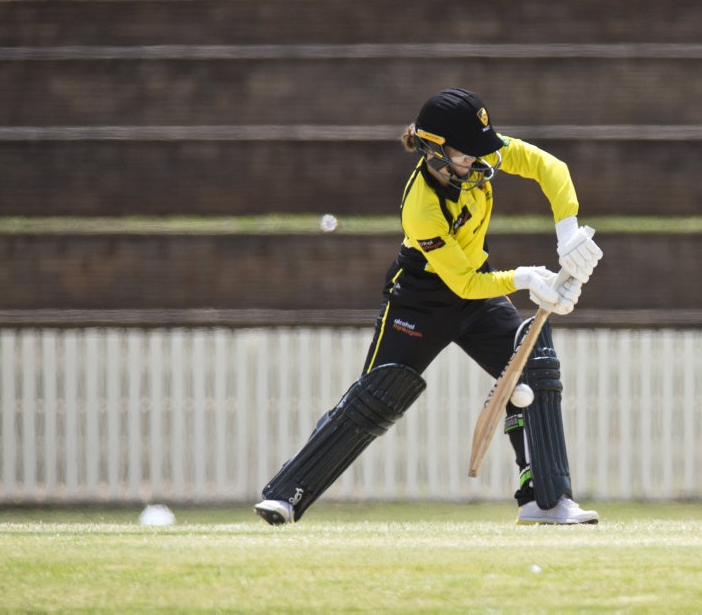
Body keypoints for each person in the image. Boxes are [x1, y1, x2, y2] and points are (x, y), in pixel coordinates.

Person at [254, 88, 603, 525]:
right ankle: (287, 494)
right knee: (378, 394)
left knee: (532, 368)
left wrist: (566, 231)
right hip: (420, 299)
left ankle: (546, 501)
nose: (481, 162)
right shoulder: (420, 206)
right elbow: (461, 281)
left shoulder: (479, 153)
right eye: (467, 155)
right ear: (435, 153)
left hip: (478, 293)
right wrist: (528, 278)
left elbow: (549, 167)